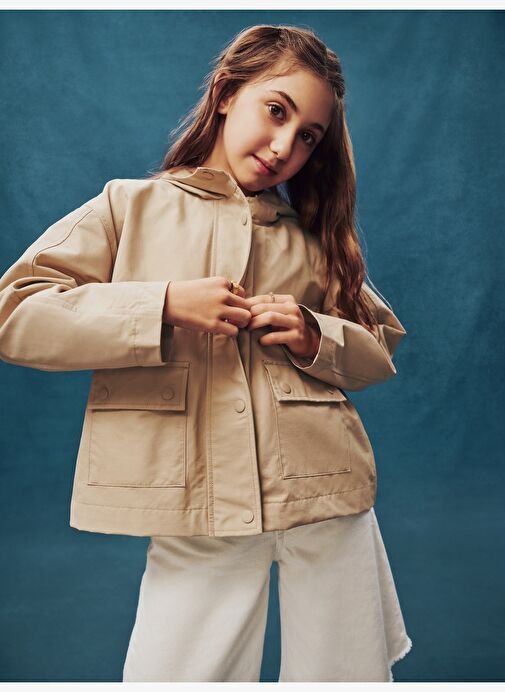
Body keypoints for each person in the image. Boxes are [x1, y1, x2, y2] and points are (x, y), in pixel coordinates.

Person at [0, 24, 413, 683]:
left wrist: (315, 334)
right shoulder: (129, 207)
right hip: (199, 504)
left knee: (344, 673)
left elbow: (380, 344)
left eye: (308, 136)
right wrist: (160, 303)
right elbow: (15, 313)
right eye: (275, 111)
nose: (284, 146)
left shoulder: (312, 239)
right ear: (225, 94)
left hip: (325, 493)